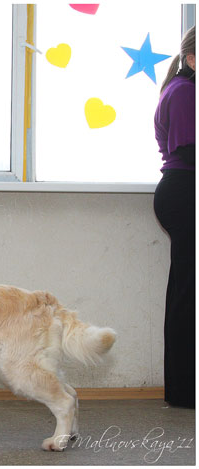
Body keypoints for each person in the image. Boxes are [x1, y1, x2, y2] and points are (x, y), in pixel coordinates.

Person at [153, 26, 195, 409]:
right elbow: (189, 150)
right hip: (184, 194)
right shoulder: (184, 92)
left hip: (183, 192)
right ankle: (183, 391)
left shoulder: (184, 89)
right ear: (192, 58)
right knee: (187, 294)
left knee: (186, 291)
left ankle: (184, 388)